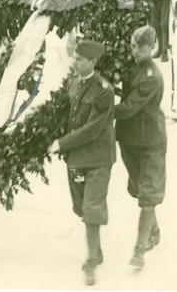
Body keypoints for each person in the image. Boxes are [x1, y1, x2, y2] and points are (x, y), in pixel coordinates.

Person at [48, 39, 114, 286]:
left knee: (91, 207)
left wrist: (61, 143)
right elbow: (68, 115)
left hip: (97, 159)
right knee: (81, 207)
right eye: (74, 57)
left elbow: (92, 129)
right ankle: (96, 248)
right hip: (75, 162)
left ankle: (91, 261)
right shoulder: (73, 82)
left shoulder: (104, 90)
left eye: (79, 59)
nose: (74, 62)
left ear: (93, 62)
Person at [114, 26, 167, 270]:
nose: (135, 51)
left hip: (150, 141)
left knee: (148, 193)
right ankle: (153, 231)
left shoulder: (151, 76)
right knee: (139, 189)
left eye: (141, 48)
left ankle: (140, 249)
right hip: (129, 139)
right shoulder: (130, 66)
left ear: (152, 48)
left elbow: (127, 108)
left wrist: (99, 107)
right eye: (133, 46)